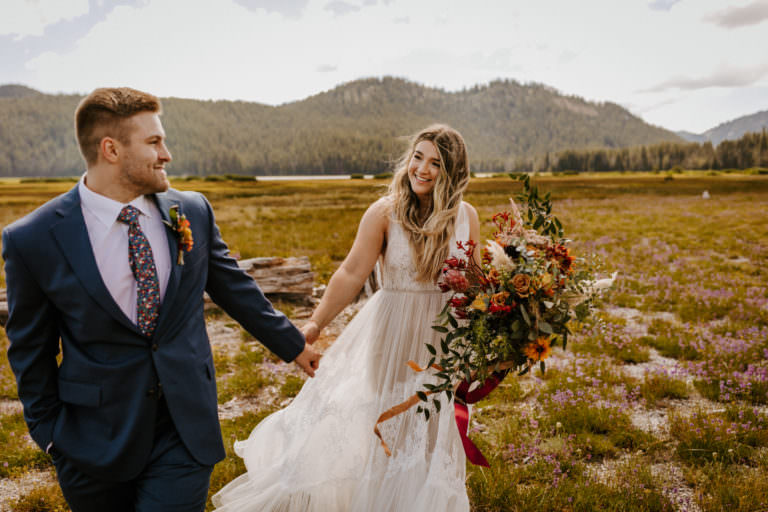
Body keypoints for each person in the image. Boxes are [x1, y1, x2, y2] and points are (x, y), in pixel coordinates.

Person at [2, 87, 321, 512]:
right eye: (154, 142)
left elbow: (233, 287)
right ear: (111, 149)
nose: (166, 154)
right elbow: (30, 347)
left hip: (185, 428)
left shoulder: (191, 211)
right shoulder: (33, 239)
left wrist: (295, 346)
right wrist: (50, 434)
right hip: (91, 438)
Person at [213, 124, 480, 511]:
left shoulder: (466, 216)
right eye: (417, 157)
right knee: (386, 422)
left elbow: (472, 280)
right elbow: (351, 273)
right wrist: (314, 324)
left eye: (435, 163)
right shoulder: (385, 212)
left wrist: (499, 326)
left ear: (452, 171)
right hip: (392, 332)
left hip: (443, 335)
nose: (421, 169)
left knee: (433, 430)